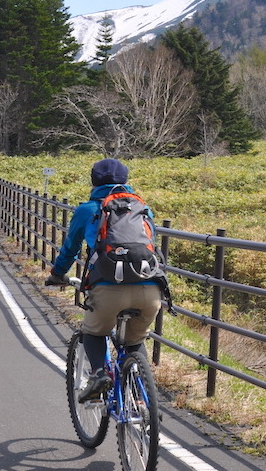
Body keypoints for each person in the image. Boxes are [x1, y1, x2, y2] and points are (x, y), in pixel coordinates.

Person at [46, 158, 166, 401]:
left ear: (94, 182)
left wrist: (57, 274)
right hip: (150, 288)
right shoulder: (142, 208)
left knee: (93, 332)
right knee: (134, 342)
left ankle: (99, 375)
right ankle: (143, 401)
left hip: (109, 288)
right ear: (125, 181)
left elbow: (71, 249)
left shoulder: (87, 210)